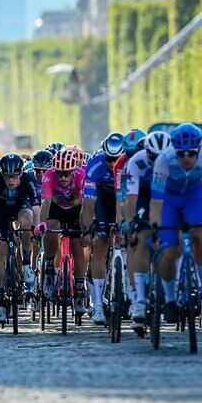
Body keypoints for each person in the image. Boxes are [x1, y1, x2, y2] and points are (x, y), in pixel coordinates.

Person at [149, 122, 202, 323]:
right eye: (181, 153)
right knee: (170, 250)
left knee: (200, 234)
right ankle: (170, 300)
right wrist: (155, 228)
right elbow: (155, 202)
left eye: (191, 153)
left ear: (199, 149)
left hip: (194, 196)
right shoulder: (164, 160)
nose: (186, 158)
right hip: (169, 201)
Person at [119, 131, 170, 328]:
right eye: (153, 157)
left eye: (161, 157)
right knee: (140, 238)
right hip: (142, 196)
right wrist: (131, 224)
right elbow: (130, 199)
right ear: (147, 153)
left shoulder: (173, 161)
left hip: (167, 196)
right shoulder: (137, 162)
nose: (157, 161)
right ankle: (139, 299)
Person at [0, 153, 38, 324]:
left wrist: (36, 229)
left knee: (27, 220)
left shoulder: (29, 180)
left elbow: (36, 208)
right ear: (2, 174)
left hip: (21, 208)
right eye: (7, 176)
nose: (11, 180)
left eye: (14, 176)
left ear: (21, 173)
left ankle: (27, 264)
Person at [80, 132, 125, 324]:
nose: (113, 162)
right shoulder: (96, 165)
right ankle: (97, 305)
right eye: (109, 159)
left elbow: (129, 200)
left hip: (122, 200)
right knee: (100, 244)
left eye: (117, 159)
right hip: (103, 201)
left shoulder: (128, 165)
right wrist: (90, 227)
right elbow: (89, 202)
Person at [36, 148, 87, 314]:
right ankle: (50, 266)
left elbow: (87, 205)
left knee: (78, 246)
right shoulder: (49, 176)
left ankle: (79, 290)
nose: (63, 178)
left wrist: (86, 226)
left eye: (67, 174)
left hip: (76, 209)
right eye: (60, 174)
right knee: (51, 229)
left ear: (73, 171)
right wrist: (42, 223)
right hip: (56, 208)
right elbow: (46, 202)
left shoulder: (81, 176)